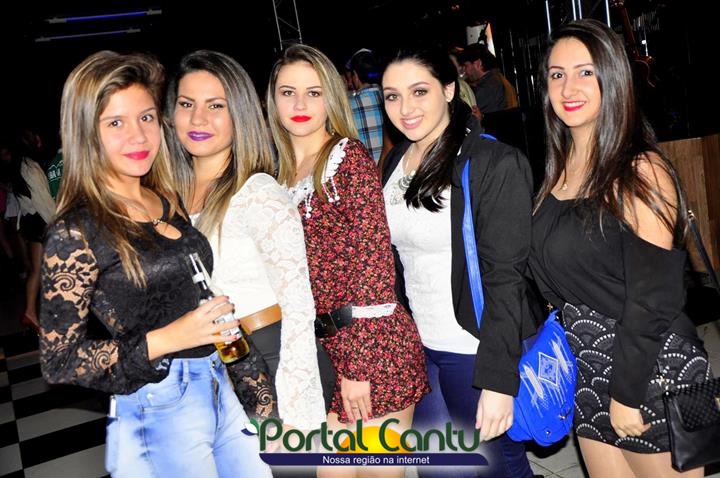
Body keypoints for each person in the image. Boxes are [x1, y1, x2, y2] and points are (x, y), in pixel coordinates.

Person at [39, 50, 271, 477]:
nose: (138, 136)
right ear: (86, 133)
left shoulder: (164, 197)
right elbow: (59, 361)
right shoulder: (76, 230)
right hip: (159, 404)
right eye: (116, 123)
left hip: (220, 384)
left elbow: (207, 301)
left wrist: (260, 400)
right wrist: (167, 338)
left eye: (146, 117)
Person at [529, 19, 711, 477]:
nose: (568, 87)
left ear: (612, 78)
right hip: (590, 371)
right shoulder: (558, 171)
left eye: (585, 72)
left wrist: (626, 393)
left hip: (653, 370)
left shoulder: (639, 169)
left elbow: (655, 296)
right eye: (557, 74)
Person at [266, 43, 429, 478]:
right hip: (321, 351)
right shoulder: (276, 173)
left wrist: (358, 366)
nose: (300, 105)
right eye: (288, 93)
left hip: (371, 345)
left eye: (314, 92)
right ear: (272, 100)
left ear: (331, 98)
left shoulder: (346, 159)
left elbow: (374, 266)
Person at [380, 47, 535, 478]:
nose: (405, 108)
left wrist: (498, 380)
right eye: (392, 96)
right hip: (418, 346)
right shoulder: (394, 161)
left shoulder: (492, 162)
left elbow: (506, 278)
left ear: (449, 90)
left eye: (419, 91)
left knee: (498, 467)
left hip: (473, 348)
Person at [165, 49, 330, 430]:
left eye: (215, 105)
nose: (198, 118)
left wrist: (298, 412)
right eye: (187, 104)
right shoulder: (170, 197)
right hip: (215, 362)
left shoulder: (257, 192)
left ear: (239, 113)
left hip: (273, 356)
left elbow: (299, 306)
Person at [6, 132, 55, 333]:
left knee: (38, 270)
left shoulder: (18, 167)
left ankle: (31, 312)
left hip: (32, 223)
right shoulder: (29, 166)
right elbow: (43, 200)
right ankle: (36, 312)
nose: (38, 140)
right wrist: (59, 223)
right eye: (33, 138)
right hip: (42, 222)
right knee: (51, 269)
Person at [346, 48, 389, 164]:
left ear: (355, 75)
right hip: (392, 169)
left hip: (364, 171)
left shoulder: (347, 107)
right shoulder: (390, 99)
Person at [458, 43, 518, 114]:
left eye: (466, 66)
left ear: (478, 63)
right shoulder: (501, 80)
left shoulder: (486, 88)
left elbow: (467, 114)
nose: (465, 71)